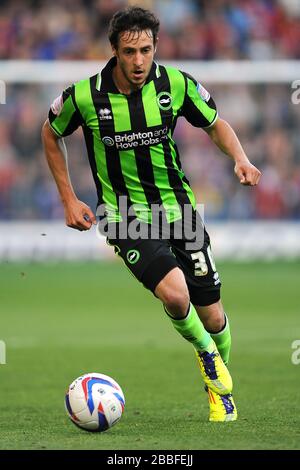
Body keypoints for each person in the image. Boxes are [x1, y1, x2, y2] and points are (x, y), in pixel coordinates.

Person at [42, 6, 261, 422]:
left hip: (179, 210)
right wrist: (68, 198)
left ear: (155, 46)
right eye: (129, 52)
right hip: (123, 215)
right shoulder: (85, 95)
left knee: (213, 315)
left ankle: (216, 384)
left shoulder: (175, 84)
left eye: (145, 50)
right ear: (114, 51)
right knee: (177, 295)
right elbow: (50, 132)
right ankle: (208, 359)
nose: (139, 61)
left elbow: (216, 124)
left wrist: (240, 158)